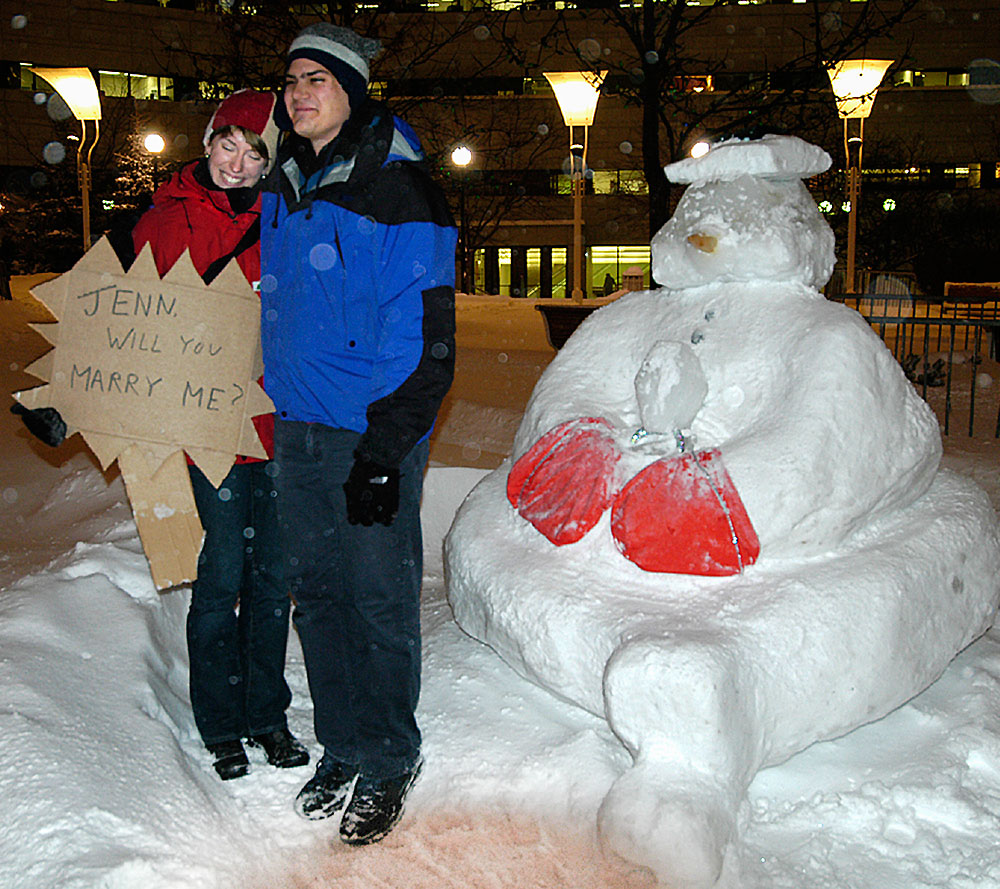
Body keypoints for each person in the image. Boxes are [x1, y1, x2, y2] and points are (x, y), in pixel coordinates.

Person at [13, 90, 309, 782]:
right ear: (207, 143)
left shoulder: (290, 225)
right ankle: (222, 724)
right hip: (208, 435)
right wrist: (67, 398)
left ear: (269, 162)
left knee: (272, 583)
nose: (236, 163)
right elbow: (110, 320)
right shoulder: (157, 222)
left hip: (284, 431)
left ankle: (268, 714)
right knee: (221, 578)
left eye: (253, 153)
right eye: (227, 146)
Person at [259, 23, 457, 845]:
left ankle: (389, 755)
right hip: (298, 432)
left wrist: (384, 451)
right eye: (294, 79)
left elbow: (426, 339)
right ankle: (344, 742)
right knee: (322, 597)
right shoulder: (284, 184)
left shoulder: (399, 188)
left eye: (321, 79)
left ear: (352, 91)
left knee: (377, 602)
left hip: (370, 437)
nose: (302, 91)